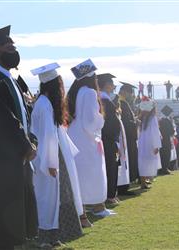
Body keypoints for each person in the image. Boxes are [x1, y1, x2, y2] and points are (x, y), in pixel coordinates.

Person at [0, 26, 38, 250]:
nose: (13, 50)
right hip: (3, 159)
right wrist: (26, 145)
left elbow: (24, 118)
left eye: (14, 45)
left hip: (18, 157)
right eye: (9, 46)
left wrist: (32, 142)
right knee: (5, 212)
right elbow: (3, 121)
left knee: (21, 212)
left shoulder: (11, 80)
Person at [30, 63, 83, 247]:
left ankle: (54, 236)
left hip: (53, 156)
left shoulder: (46, 103)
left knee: (57, 197)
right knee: (48, 198)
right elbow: (46, 137)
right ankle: (46, 238)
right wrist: (50, 163)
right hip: (48, 159)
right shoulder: (44, 105)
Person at [67, 59, 114, 227]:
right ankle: (97, 206)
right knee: (92, 172)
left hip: (76, 135)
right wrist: (101, 119)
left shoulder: (77, 92)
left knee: (82, 173)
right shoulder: (89, 93)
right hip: (87, 138)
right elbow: (90, 120)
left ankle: (88, 207)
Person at [98, 73, 121, 205]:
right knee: (110, 166)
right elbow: (109, 123)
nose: (113, 86)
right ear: (106, 85)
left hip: (107, 138)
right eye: (111, 84)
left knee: (110, 166)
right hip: (108, 139)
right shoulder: (104, 101)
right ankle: (109, 195)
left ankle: (110, 193)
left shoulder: (104, 99)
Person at [118, 82, 139, 193]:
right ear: (125, 92)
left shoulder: (124, 103)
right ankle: (123, 187)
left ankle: (126, 184)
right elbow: (126, 122)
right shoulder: (122, 103)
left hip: (128, 137)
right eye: (131, 93)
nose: (132, 95)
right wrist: (135, 123)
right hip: (126, 137)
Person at [138, 96, 162, 189]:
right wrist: (157, 146)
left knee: (142, 161)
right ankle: (144, 182)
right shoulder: (152, 118)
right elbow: (155, 133)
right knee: (148, 162)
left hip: (142, 143)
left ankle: (143, 182)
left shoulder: (142, 117)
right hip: (150, 143)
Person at [159, 105, 175, 175]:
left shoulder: (160, 120)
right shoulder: (168, 121)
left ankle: (160, 169)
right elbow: (172, 132)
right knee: (166, 155)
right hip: (166, 140)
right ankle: (165, 169)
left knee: (161, 154)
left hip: (161, 140)